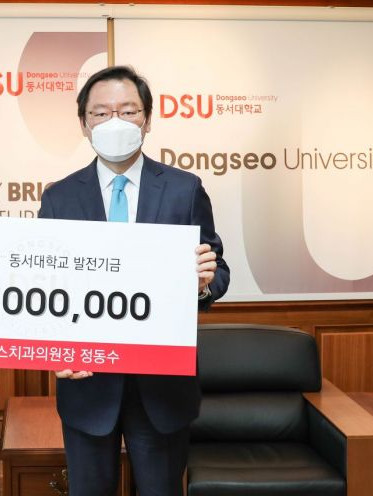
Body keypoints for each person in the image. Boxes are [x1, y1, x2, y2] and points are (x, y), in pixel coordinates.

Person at [38, 66, 230, 496]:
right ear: (84, 123)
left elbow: (219, 271)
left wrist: (203, 282)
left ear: (148, 120)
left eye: (128, 111)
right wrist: (52, 348)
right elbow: (44, 286)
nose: (116, 122)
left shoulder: (184, 189)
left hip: (162, 389)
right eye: (101, 113)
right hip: (86, 385)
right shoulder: (60, 197)